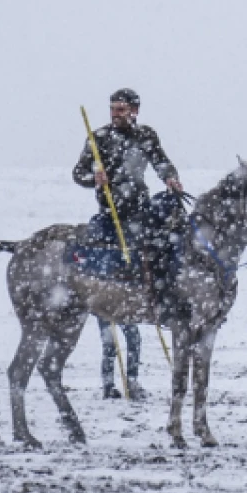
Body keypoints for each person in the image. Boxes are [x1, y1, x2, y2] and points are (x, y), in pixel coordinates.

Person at [73, 87, 184, 400]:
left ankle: (163, 298)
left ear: (135, 110)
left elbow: (161, 162)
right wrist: (94, 176)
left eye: (121, 109)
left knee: (167, 244)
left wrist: (170, 178)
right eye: (113, 109)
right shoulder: (98, 138)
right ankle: (109, 379)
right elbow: (78, 172)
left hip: (140, 211)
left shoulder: (146, 135)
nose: (115, 114)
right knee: (97, 263)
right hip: (110, 214)